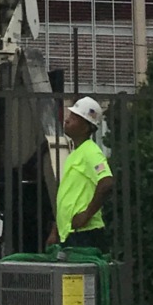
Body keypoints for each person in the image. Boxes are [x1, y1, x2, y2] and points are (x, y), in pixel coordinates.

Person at [51, 96, 113, 252]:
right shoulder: (75, 154)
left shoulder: (90, 151)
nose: (67, 120)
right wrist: (56, 230)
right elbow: (69, 196)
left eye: (74, 117)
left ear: (86, 127)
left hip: (85, 234)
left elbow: (106, 182)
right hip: (71, 233)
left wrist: (86, 215)